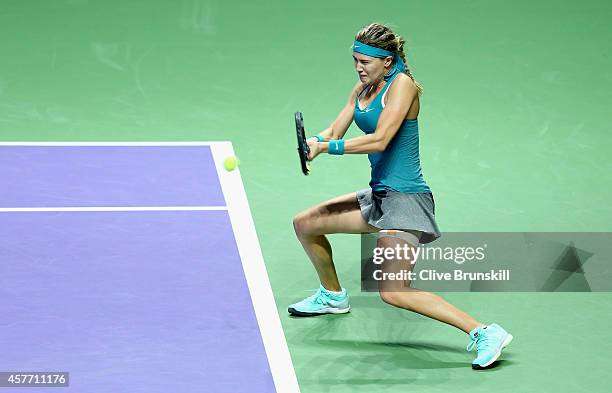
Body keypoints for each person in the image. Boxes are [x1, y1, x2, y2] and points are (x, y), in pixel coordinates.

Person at [288, 23, 513, 369]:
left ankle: (484, 331)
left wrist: (327, 148)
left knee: (394, 291)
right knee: (305, 224)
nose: (359, 67)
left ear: (388, 62)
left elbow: (380, 139)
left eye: (366, 62)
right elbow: (335, 130)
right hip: (380, 196)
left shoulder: (403, 86)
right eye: (355, 60)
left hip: (406, 201)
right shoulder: (362, 90)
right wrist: (314, 141)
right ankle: (333, 297)